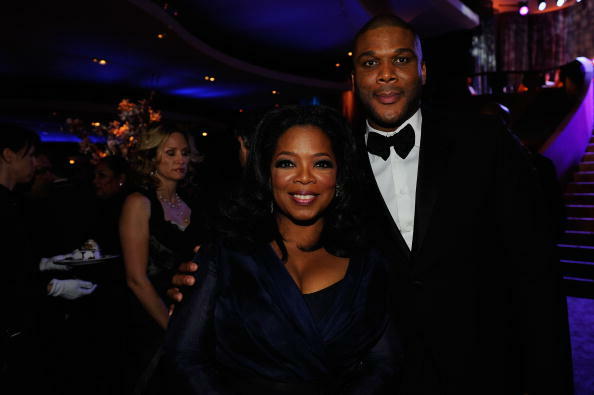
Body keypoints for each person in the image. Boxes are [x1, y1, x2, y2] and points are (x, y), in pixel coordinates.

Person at [170, 14, 571, 394]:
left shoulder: (484, 142)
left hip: (483, 366)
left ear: (423, 71)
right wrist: (206, 277)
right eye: (369, 62)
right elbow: (278, 232)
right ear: (353, 77)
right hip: (381, 374)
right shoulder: (335, 161)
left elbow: (536, 271)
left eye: (400, 59)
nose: (385, 74)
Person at [164, 105, 400, 394]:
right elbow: (185, 357)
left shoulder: (367, 264)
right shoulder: (224, 256)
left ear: (339, 175)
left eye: (321, 163)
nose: (304, 177)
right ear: (267, 173)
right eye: (287, 163)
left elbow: (383, 364)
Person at [120, 125, 203, 394]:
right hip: (150, 318)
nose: (181, 159)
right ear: (151, 157)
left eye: (185, 152)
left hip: (188, 314)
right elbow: (135, 279)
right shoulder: (139, 202)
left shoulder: (191, 201)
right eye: (171, 153)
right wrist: (173, 330)